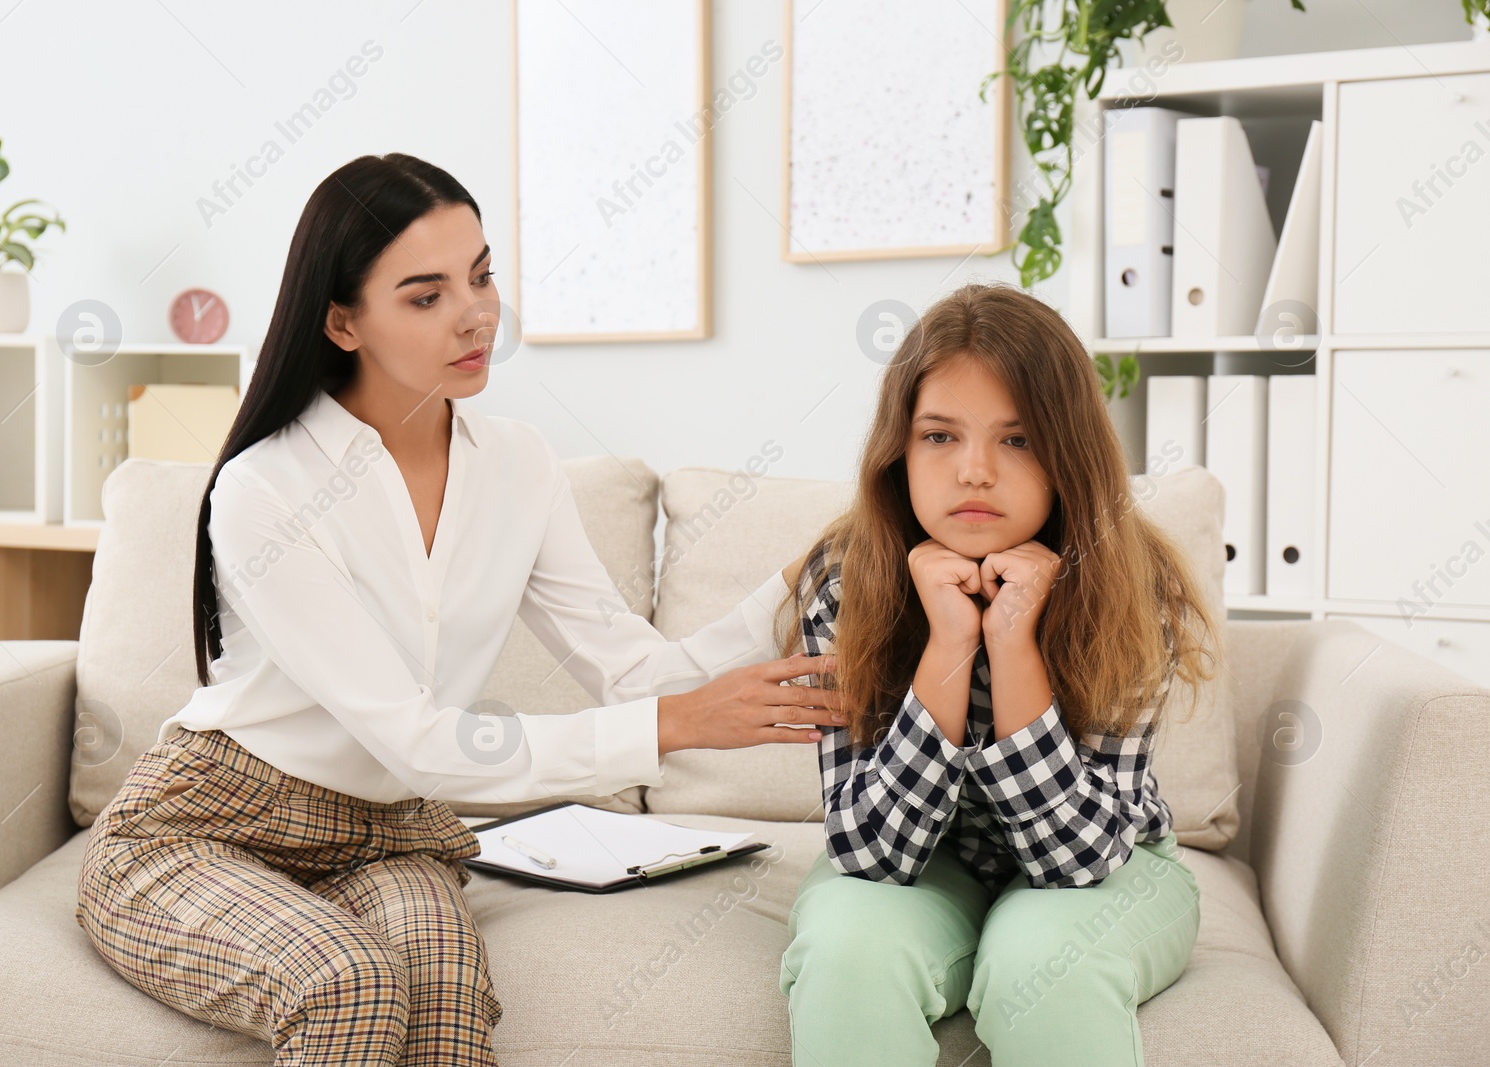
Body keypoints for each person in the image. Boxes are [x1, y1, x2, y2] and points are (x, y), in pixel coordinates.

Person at [73, 154, 850, 1067]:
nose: (476, 312)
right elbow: (414, 738)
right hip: (208, 825)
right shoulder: (264, 490)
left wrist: (802, 578)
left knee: (444, 1002)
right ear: (341, 319)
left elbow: (633, 668)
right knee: (348, 984)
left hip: (389, 831)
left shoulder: (518, 464)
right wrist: (675, 726)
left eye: (481, 274)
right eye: (425, 294)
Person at [773, 281, 1219, 1067]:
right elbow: (871, 852)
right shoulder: (845, 580)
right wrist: (949, 644)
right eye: (939, 436)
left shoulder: (1131, 585)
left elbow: (1076, 861)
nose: (974, 471)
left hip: (1109, 861)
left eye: (1017, 440)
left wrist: (1014, 645)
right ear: (898, 451)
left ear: (1066, 456)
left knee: (1046, 969)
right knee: (849, 952)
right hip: (922, 862)